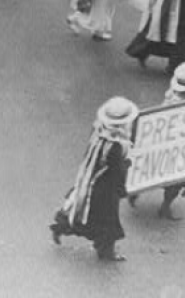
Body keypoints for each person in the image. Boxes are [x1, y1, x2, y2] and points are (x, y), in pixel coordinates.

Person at [50, 96, 139, 262]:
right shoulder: (116, 146)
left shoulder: (98, 133)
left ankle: (60, 227)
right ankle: (106, 252)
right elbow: (118, 171)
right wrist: (123, 185)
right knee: (108, 222)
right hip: (106, 189)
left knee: (86, 214)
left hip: (92, 182)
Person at [127, 62, 185, 219]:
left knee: (150, 168)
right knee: (176, 178)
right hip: (175, 145)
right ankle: (165, 207)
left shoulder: (171, 93)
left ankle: (135, 191)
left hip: (159, 139)